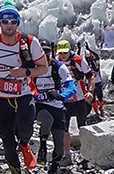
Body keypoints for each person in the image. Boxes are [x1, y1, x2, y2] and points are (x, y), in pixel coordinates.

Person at [0, 1, 48, 174]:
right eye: (5, 21)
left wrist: (26, 72)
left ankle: (24, 144)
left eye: (13, 21)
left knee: (26, 129)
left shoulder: (30, 42)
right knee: (6, 138)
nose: (9, 25)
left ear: (18, 22)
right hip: (0, 96)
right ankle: (15, 169)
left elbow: (43, 67)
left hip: (24, 93)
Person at [34, 39, 76, 174]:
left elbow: (72, 88)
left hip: (57, 106)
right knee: (47, 120)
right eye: (41, 51)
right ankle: (43, 146)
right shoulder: (32, 67)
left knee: (59, 144)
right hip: (39, 105)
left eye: (46, 51)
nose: (44, 54)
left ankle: (53, 167)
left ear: (51, 52)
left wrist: (61, 96)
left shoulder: (59, 67)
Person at [55, 40, 94, 168]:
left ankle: (85, 155)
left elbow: (90, 76)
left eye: (65, 52)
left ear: (69, 50)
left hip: (80, 99)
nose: (63, 55)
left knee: (82, 126)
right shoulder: (56, 62)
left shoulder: (78, 60)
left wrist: (90, 91)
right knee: (64, 128)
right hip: (64, 99)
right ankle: (67, 155)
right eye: (60, 53)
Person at [84, 43, 104, 117]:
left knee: (100, 97)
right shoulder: (84, 63)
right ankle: (96, 112)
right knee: (92, 99)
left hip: (97, 81)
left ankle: (101, 109)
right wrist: (80, 49)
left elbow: (97, 68)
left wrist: (89, 49)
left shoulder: (95, 61)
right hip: (89, 83)